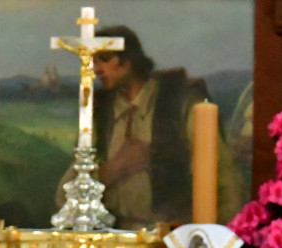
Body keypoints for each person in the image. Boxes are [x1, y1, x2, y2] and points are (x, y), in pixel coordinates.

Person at [58, 25, 243, 227]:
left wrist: (213, 245)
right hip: (113, 239)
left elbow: (227, 185)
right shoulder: (99, 113)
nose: (96, 69)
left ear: (127, 59)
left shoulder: (179, 104)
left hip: (171, 241)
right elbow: (63, 196)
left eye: (104, 59)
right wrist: (113, 169)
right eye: (93, 61)